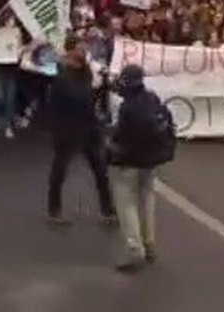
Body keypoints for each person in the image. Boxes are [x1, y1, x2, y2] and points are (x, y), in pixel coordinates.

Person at [108, 63, 176, 272]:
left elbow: (121, 135)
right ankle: (149, 243)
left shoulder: (128, 108)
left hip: (129, 161)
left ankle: (134, 249)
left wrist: (110, 143)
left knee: (126, 204)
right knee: (147, 201)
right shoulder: (152, 99)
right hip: (151, 160)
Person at [46, 40, 115, 226]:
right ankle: (54, 209)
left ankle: (108, 210)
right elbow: (79, 98)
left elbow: (89, 98)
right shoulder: (63, 77)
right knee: (60, 169)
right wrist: (97, 89)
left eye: (85, 47)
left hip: (88, 127)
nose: (84, 50)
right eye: (79, 48)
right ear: (69, 52)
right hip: (67, 128)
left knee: (100, 169)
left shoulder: (85, 71)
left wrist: (103, 85)